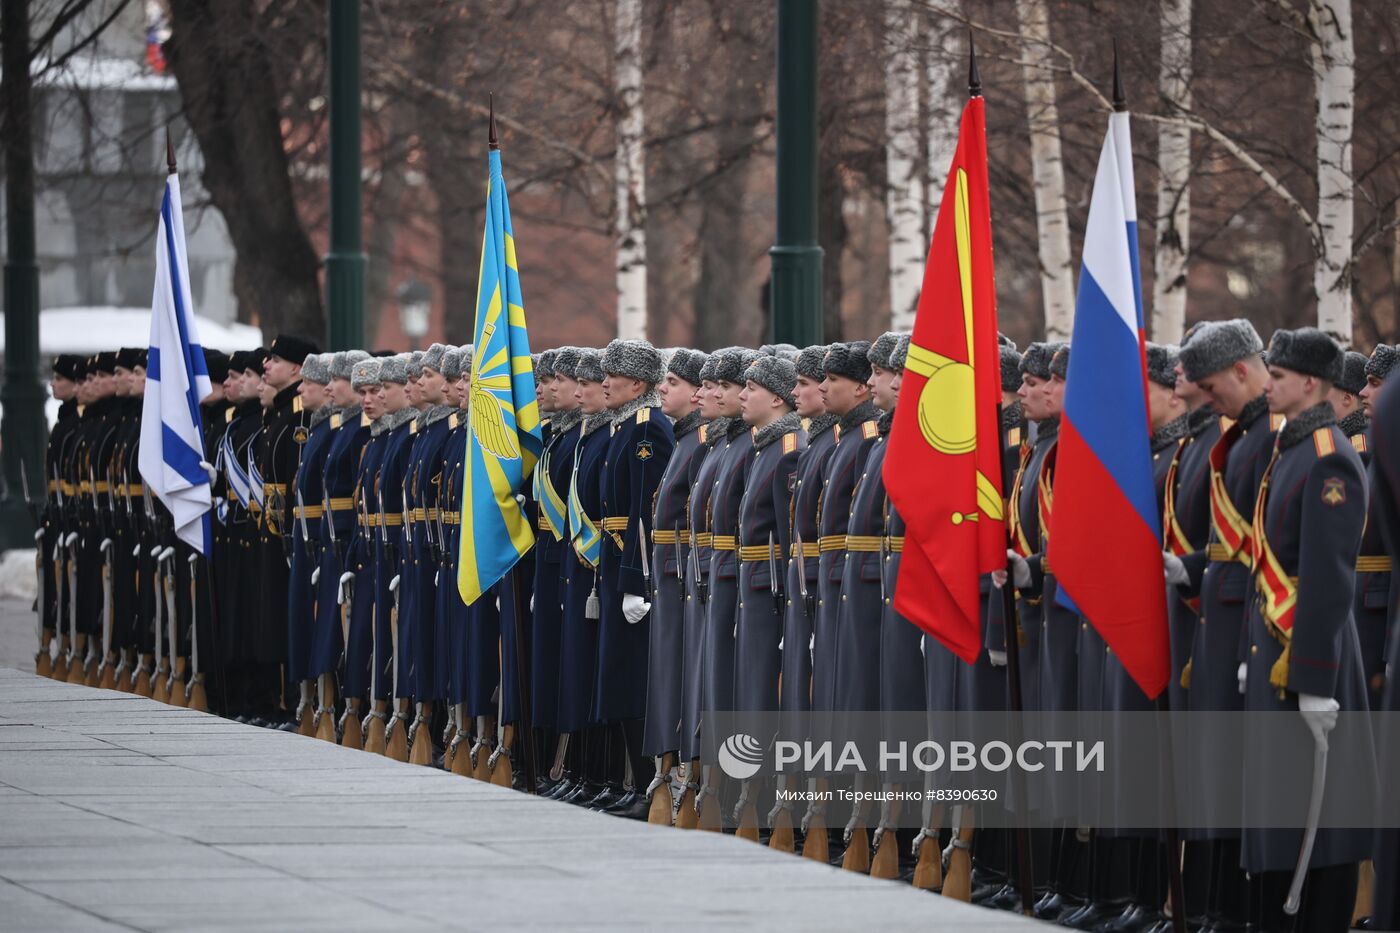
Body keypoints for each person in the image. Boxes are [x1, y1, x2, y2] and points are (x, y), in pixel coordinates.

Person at [1240, 328, 1375, 933]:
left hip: (1312, 653)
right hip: (1279, 647)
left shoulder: (1327, 456)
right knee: (1282, 802)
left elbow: (1327, 577)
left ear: (1311, 384)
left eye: (1279, 374)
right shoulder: (1291, 448)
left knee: (1319, 814)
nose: (1267, 382)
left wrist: (1317, 678)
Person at [1165, 319, 1281, 932]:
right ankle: (1215, 907)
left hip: (1251, 622)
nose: (1207, 399)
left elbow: (1273, 550)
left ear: (1242, 370)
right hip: (1220, 613)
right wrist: (1186, 568)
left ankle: (1231, 909)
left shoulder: (1271, 438)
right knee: (1215, 770)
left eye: (1212, 387)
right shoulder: (1239, 435)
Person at [590, 338, 674, 818]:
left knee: (631, 681)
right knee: (617, 681)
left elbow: (645, 512)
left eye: (612, 375)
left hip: (631, 567)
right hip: (614, 562)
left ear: (637, 383)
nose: (603, 382)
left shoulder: (649, 430)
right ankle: (635, 785)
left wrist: (636, 583)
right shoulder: (625, 427)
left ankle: (649, 788)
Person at [730, 352, 804, 836]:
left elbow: (786, 533)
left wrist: (782, 596)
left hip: (771, 590)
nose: (740, 395)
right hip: (749, 585)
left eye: (750, 388)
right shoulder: (763, 448)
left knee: (766, 695)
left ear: (776, 397)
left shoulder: (786, 449)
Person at [641, 347, 708, 817]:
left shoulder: (702, 439)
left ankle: (687, 778)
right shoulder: (687, 437)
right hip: (671, 571)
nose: (662, 389)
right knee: (667, 677)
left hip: (691, 572)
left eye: (673, 382)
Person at [255, 335, 319, 726]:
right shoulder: (279, 414)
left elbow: (292, 482)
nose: (267, 366)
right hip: (272, 532)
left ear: (297, 369)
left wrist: (286, 533)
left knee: (285, 619)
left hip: (289, 536)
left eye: (275, 360)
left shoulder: (297, 418)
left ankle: (289, 700)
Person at [287, 352, 335, 736]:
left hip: (332, 541)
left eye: (309, 383)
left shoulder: (336, 430)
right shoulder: (319, 428)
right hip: (311, 541)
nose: (300, 390)